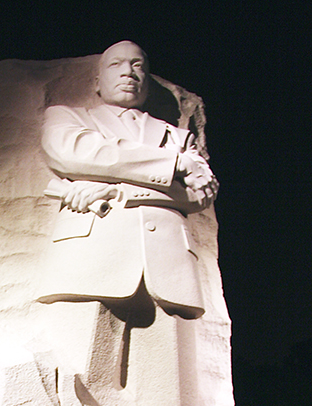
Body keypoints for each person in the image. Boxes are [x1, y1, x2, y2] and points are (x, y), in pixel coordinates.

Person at [39, 40, 219, 326]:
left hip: (170, 266)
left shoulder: (179, 137)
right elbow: (75, 152)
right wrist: (172, 164)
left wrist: (116, 190)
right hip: (89, 255)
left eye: (138, 66)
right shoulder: (68, 116)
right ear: (98, 82)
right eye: (116, 64)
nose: (129, 73)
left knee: (167, 366)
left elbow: (201, 194)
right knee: (80, 358)